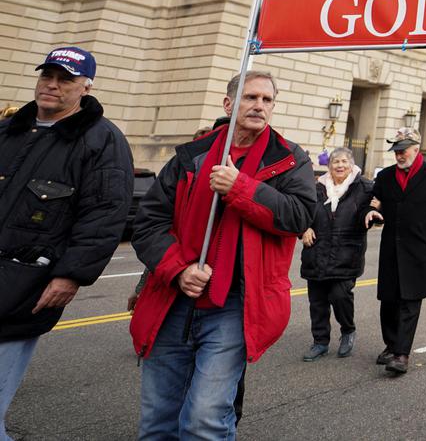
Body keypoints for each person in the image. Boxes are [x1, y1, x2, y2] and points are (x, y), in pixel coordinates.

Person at [131, 71, 314, 439]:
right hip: (174, 298)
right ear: (228, 104)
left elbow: (299, 216)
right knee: (157, 420)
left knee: (204, 418)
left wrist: (241, 188)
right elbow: (148, 223)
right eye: (250, 98)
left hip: (234, 305)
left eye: (267, 100)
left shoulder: (290, 158)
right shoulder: (191, 156)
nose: (259, 106)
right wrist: (179, 270)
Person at [1, 47, 133, 440]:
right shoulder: (9, 130)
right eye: (48, 76)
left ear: (85, 86)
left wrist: (71, 275)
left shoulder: (102, 141)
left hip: (26, 283)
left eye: (66, 79)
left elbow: (104, 215)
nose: (52, 85)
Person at [366, 127, 426, 375]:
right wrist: (370, 213)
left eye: (402, 150)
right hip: (391, 248)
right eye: (395, 151)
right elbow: (373, 203)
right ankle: (391, 344)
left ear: (416, 150)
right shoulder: (384, 176)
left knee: (410, 300)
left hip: (419, 248)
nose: (398, 155)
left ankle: (401, 354)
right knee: (389, 300)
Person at [300, 147, 374, 361]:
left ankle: (348, 330)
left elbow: (377, 205)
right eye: (335, 162)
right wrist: (304, 228)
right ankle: (320, 342)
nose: (339, 166)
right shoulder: (316, 188)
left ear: (351, 165)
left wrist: (374, 211)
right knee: (318, 301)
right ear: (329, 166)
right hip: (316, 252)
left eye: (343, 161)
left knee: (340, 295)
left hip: (347, 254)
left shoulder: (365, 187)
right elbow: (301, 211)